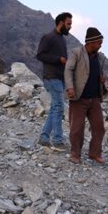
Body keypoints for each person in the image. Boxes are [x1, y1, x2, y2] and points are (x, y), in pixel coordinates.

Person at [64, 27, 107, 164]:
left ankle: (94, 153)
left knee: (99, 127)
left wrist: (102, 80)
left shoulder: (100, 58)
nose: (100, 45)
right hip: (79, 97)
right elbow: (68, 70)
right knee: (77, 128)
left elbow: (99, 74)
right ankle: (75, 153)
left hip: (95, 98)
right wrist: (70, 87)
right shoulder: (76, 53)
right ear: (91, 42)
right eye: (99, 43)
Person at [36, 12, 72, 149]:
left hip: (59, 78)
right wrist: (58, 59)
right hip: (51, 77)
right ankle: (57, 140)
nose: (70, 27)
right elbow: (40, 55)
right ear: (61, 23)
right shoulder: (48, 37)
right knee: (59, 107)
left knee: (54, 108)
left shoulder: (62, 39)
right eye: (68, 24)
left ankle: (44, 137)